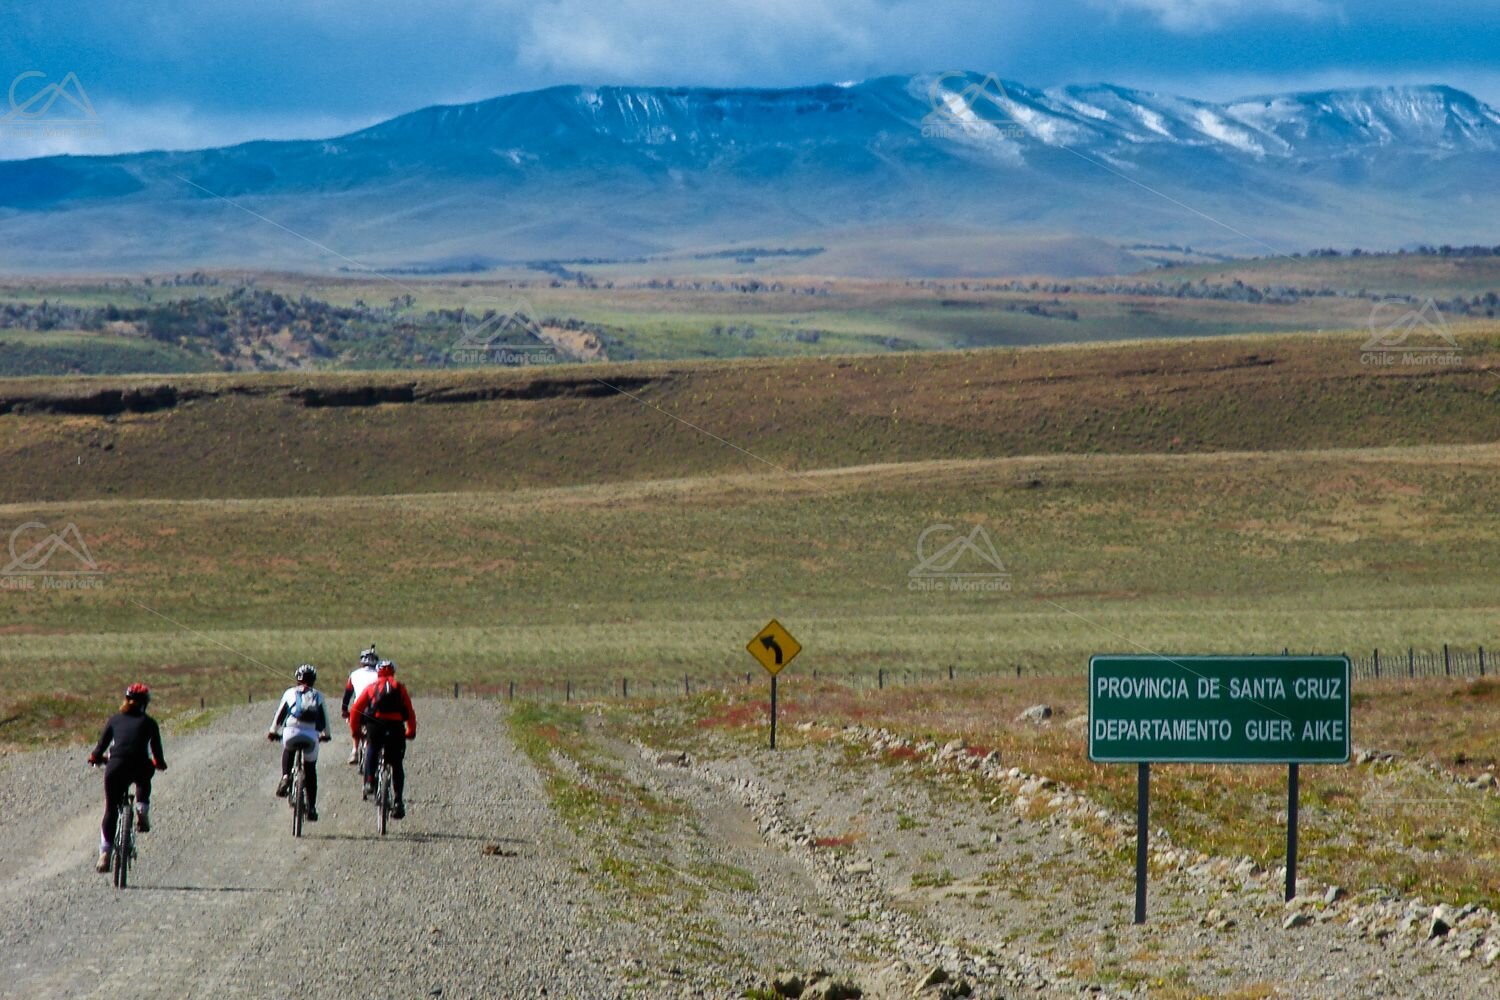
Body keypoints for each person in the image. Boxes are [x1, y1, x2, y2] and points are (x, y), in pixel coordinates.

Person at [88, 683, 166, 873]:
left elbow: (100, 748)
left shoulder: (114, 720)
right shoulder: (149, 723)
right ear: (145, 703)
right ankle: (141, 808)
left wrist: (95, 758)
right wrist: (159, 764)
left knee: (111, 810)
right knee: (144, 776)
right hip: (139, 764)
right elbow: (157, 754)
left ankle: (105, 854)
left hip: (116, 766)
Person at [348, 659, 416, 819]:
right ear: (393, 672)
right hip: (395, 727)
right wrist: (411, 731)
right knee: (397, 763)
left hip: (375, 726)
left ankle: (370, 781)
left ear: (378, 672)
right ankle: (398, 801)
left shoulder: (372, 687)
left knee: (372, 747)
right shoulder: (400, 688)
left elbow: (355, 711)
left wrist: (356, 732)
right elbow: (410, 711)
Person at [267, 664, 333, 821]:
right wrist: (326, 735)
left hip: (291, 732)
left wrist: (272, 732)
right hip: (311, 736)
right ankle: (311, 808)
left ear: (297, 678)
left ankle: (285, 777)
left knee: (288, 747)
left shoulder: (290, 693)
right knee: (310, 770)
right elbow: (324, 721)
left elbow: (280, 715)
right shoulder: (318, 696)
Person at [341, 645, 380, 765]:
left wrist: (344, 710)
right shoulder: (379, 675)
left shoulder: (354, 674)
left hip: (358, 710)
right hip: (375, 711)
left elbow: (347, 694)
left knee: (355, 726)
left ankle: (354, 750)